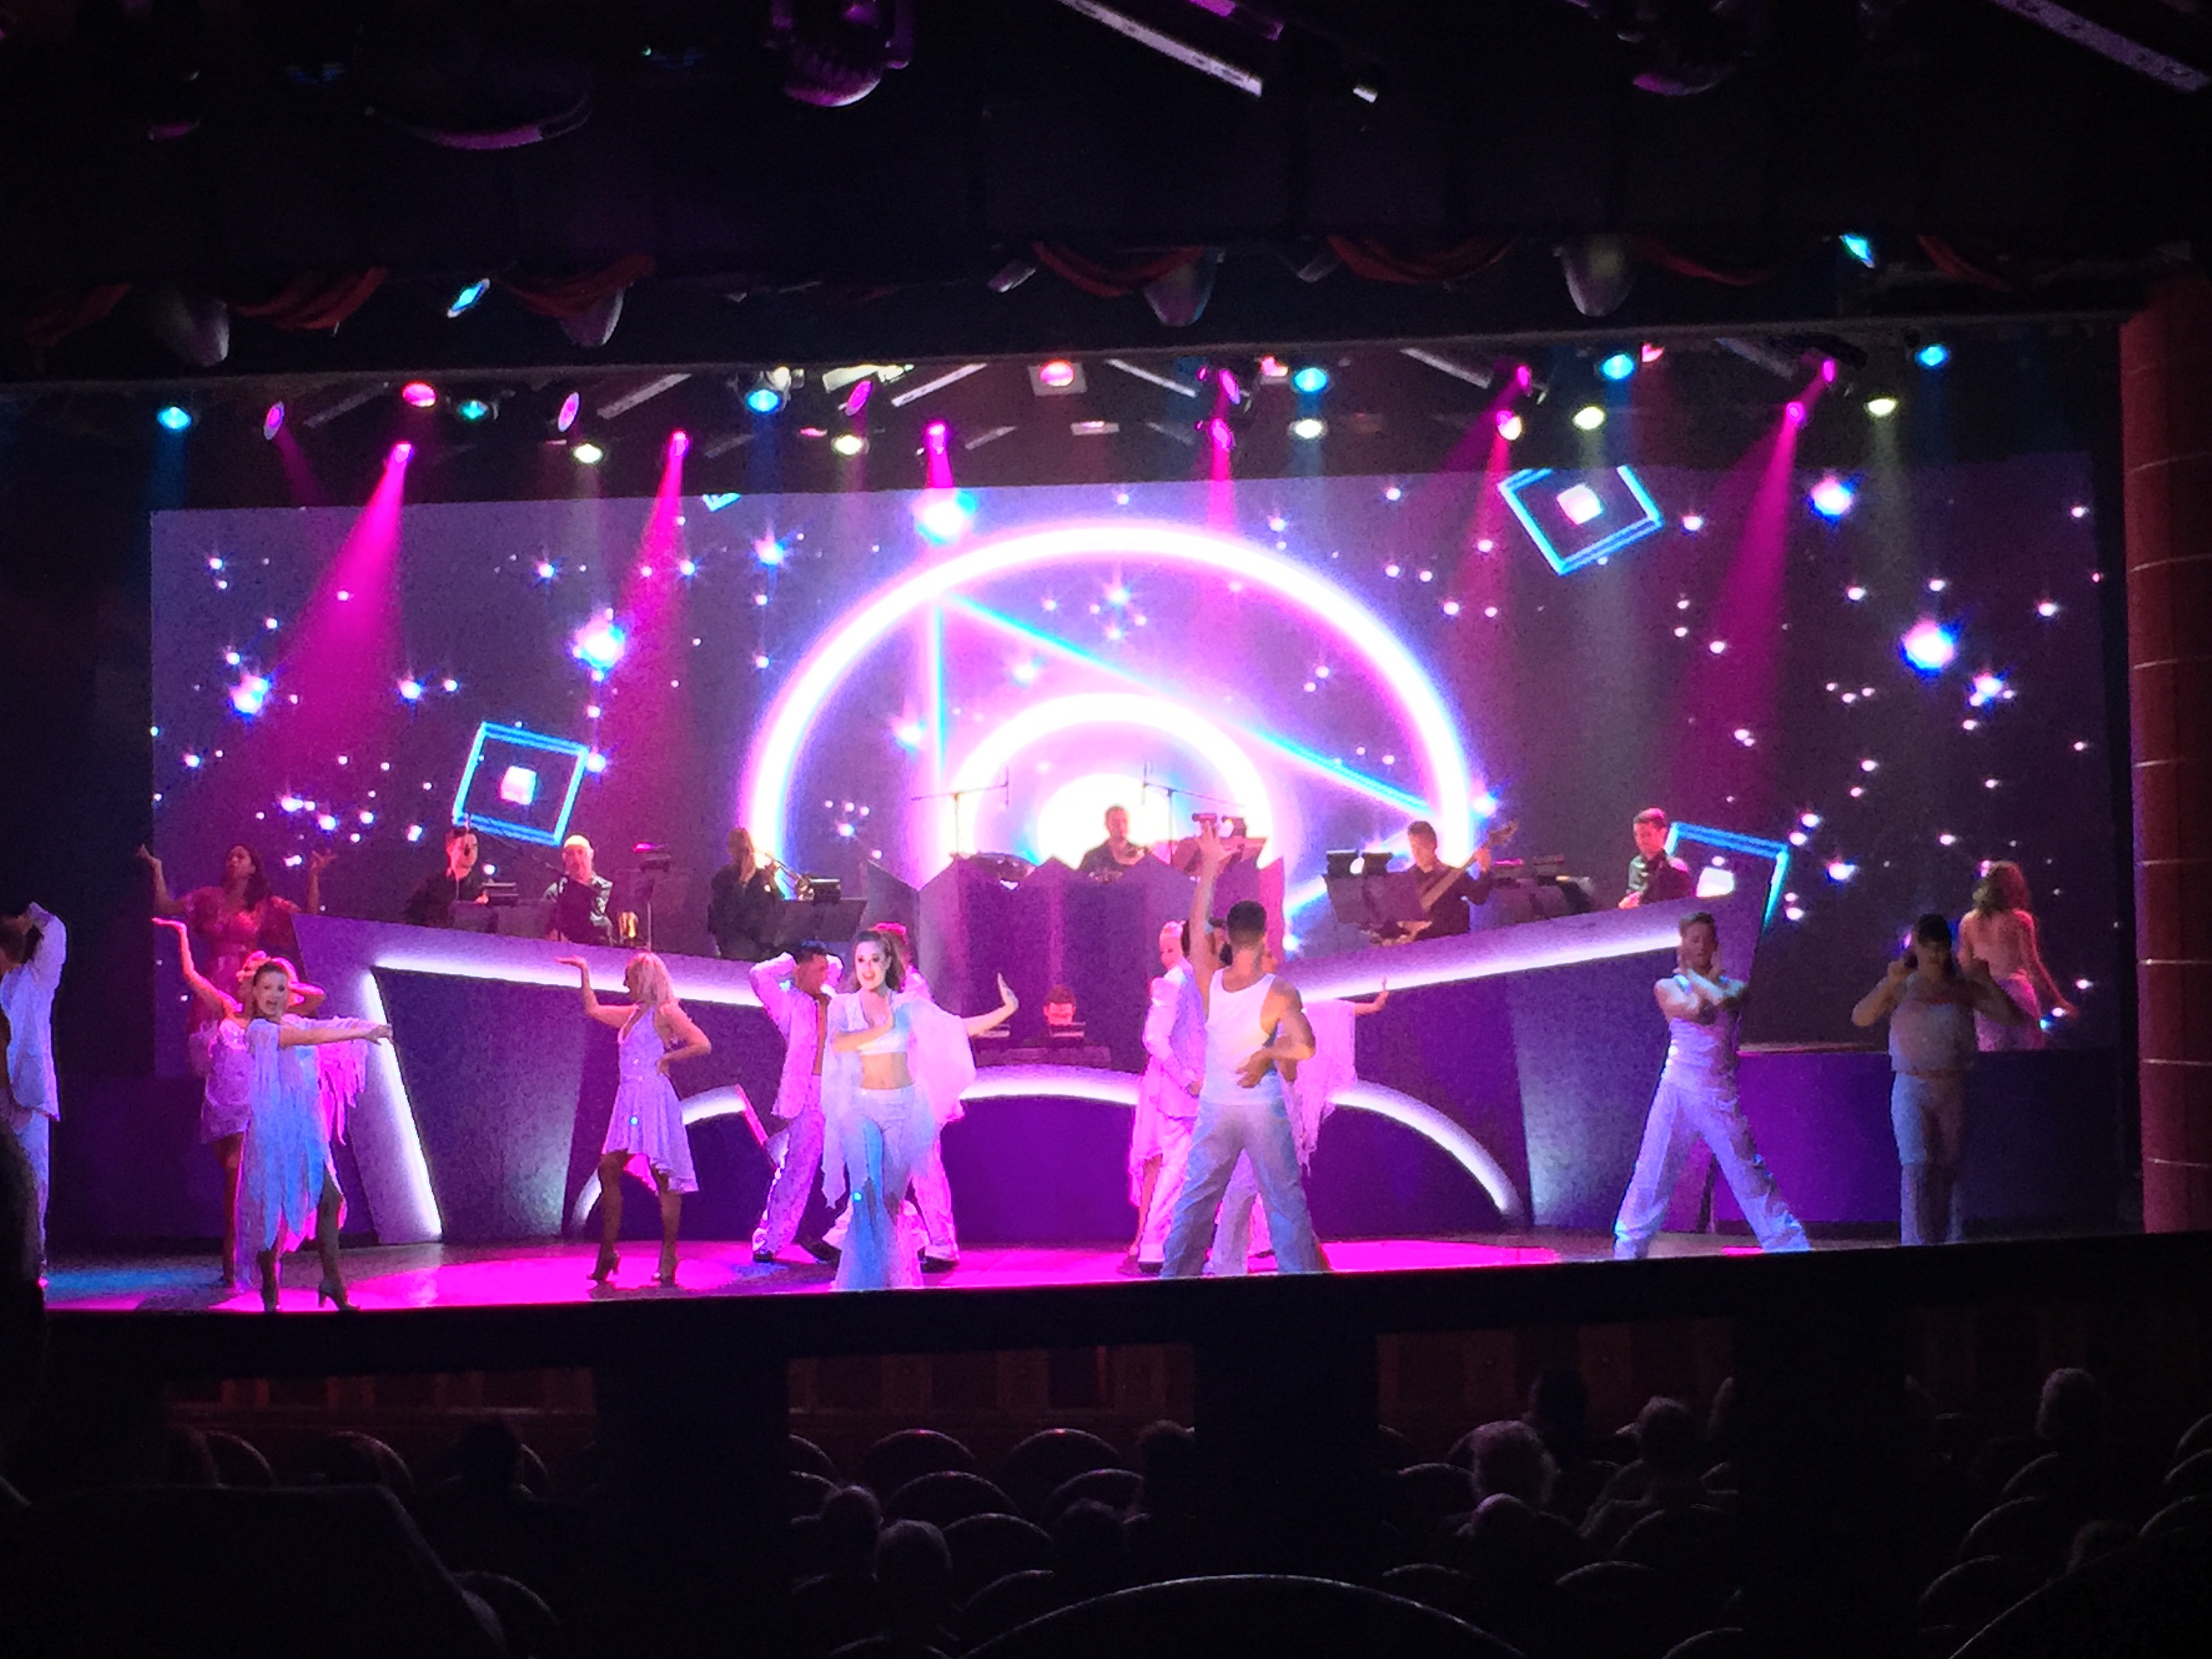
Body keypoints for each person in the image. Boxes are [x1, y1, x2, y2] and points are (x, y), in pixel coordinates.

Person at [1158, 823, 1326, 1278]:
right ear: (1265, 935)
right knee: (1283, 1201)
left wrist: (1209, 868)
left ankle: (1173, 1281)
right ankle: (1303, 1282)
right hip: (1260, 1105)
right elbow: (1306, 1046)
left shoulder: (1211, 981)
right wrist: (1268, 1055)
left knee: (1197, 1200)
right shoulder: (1279, 991)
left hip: (1219, 1105)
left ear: (1228, 938)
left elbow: (1196, 930)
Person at [821, 930, 1016, 1290]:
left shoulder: (909, 1004)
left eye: (875, 959)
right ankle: (859, 1280)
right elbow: (839, 1044)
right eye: (861, 960)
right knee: (866, 1192)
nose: (868, 967)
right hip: (862, 1110)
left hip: (902, 1109)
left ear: (888, 963)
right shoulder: (843, 1006)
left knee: (891, 1202)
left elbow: (955, 1029)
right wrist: (884, 1028)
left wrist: (1005, 1010)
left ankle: (892, 1279)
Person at [1611, 912, 1809, 1261]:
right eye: (1694, 940)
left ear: (1716, 944)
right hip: (1676, 1087)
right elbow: (1695, 1011)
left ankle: (1790, 1247)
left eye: (1706, 940)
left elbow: (1719, 1002)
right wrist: (1692, 977)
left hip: (1716, 1090)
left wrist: (1699, 976)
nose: (1701, 946)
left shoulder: (1734, 986)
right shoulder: (1667, 986)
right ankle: (1628, 1250)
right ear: (1683, 944)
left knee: (1747, 1170)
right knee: (1652, 1171)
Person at [155, 918, 327, 1286]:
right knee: (237, 1193)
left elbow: (316, 997)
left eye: (254, 970)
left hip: (253, 1113)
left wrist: (279, 978)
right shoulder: (227, 1008)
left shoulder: (276, 1018)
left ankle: (244, 1268)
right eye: (250, 969)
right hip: (221, 1110)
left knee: (240, 1187)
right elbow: (190, 975)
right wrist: (182, 933)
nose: (244, 972)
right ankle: (240, 1264)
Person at [1852, 913, 2028, 1246]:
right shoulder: (1902, 985)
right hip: (1911, 1086)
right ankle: (1916, 1244)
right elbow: (1861, 1017)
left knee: (1950, 1168)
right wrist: (1889, 983)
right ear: (1916, 947)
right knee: (1916, 1168)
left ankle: (1951, 1241)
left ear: (1949, 949)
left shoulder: (1962, 988)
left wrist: (1987, 982)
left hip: (1952, 1085)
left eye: (1940, 947)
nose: (1934, 954)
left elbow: (2013, 1017)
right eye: (1928, 946)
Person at [1207, 968, 1389, 1275]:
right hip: (1253, 1108)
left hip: (1274, 1110)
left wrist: (1371, 1007)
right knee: (1244, 1190)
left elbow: (1323, 1016)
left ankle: (1303, 1262)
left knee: (1266, 1192)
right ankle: (1239, 1263)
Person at [236, 960, 387, 1311]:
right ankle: (270, 1284)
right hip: (274, 1132)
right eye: (266, 988)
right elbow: (309, 1038)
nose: (274, 995)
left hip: (306, 1130)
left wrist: (370, 1027)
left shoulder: (295, 1020)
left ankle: (332, 1281)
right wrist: (359, 1033)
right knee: (271, 1212)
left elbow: (322, 1015)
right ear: (254, 993)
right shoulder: (258, 1030)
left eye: (281, 989)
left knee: (330, 1200)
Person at [556, 952, 712, 1287]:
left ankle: (668, 1254)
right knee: (608, 1168)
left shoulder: (665, 1012)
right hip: (628, 1100)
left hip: (653, 1098)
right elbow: (593, 1009)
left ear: (644, 978)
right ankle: (607, 1252)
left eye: (629, 976)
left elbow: (702, 1043)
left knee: (663, 1176)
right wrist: (584, 970)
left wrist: (669, 1058)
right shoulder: (631, 1014)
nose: (625, 982)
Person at [140, 842, 331, 1010]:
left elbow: (307, 919)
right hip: (213, 976)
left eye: (240, 857)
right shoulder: (208, 897)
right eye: (230, 857)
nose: (233, 861)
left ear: (252, 868)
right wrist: (157, 867)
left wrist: (313, 877)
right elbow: (165, 907)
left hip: (249, 978)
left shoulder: (264, 905)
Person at [747, 941, 840, 1264]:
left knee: (866, 1162)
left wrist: (818, 963)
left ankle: (861, 1240)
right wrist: (791, 960)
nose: (825, 974)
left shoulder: (833, 997)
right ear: (800, 970)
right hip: (808, 1093)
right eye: (818, 969)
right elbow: (758, 975)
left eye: (825, 968)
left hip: (841, 1090)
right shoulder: (787, 1002)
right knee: (798, 1168)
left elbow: (837, 965)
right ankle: (772, 1239)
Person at [1129, 920, 1206, 1273]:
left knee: (1193, 1169)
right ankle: (1155, 1241)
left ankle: (1173, 1240)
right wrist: (1188, 1079)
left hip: (1201, 1089)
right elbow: (1154, 1037)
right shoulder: (1175, 982)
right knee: (1177, 1166)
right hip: (1183, 1093)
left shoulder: (1200, 978)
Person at [0, 902, 64, 1267]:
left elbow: (56, 931)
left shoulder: (34, 980)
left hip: (28, 1098)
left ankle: (31, 1260)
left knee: (34, 1181)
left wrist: (30, 916)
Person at [1960, 860, 2076, 1050]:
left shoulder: (1968, 922)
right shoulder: (2020, 920)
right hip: (2017, 992)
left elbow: (1966, 963)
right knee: (2028, 1055)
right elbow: (2033, 965)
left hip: (1987, 995)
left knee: (1993, 1057)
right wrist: (2058, 999)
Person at [1401, 818, 1496, 939]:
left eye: (1421, 847)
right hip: (1418, 945)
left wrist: (1485, 869)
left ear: (1433, 845)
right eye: (1413, 847)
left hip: (1450, 942)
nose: (1416, 853)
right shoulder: (1406, 880)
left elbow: (1479, 897)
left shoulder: (1453, 874)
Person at [708, 827, 783, 962]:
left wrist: (771, 882)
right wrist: (743, 881)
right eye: (741, 850)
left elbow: (779, 907)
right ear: (730, 850)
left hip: (761, 937)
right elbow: (728, 915)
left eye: (749, 850)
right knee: (747, 953)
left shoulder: (759, 876)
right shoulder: (722, 877)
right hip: (735, 938)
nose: (746, 856)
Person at [401, 824, 488, 927]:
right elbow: (409, 916)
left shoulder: (482, 888)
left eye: (474, 847)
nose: (470, 853)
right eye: (463, 848)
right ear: (450, 849)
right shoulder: (432, 884)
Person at [542, 835, 615, 946]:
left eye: (581, 852)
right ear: (564, 858)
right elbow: (547, 932)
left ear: (591, 854)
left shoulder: (609, 890)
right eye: (570, 854)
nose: (576, 859)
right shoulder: (555, 893)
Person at [1616, 808, 1694, 908]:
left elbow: (1682, 907)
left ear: (1662, 833)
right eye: (1636, 835)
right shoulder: (1635, 865)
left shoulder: (1676, 869)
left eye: (1646, 835)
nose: (1640, 840)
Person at [1076, 804, 1150, 880]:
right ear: (1106, 825)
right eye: (1115, 822)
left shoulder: (1142, 855)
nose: (1121, 826)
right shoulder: (1093, 857)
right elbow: (1078, 883)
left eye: (1124, 821)